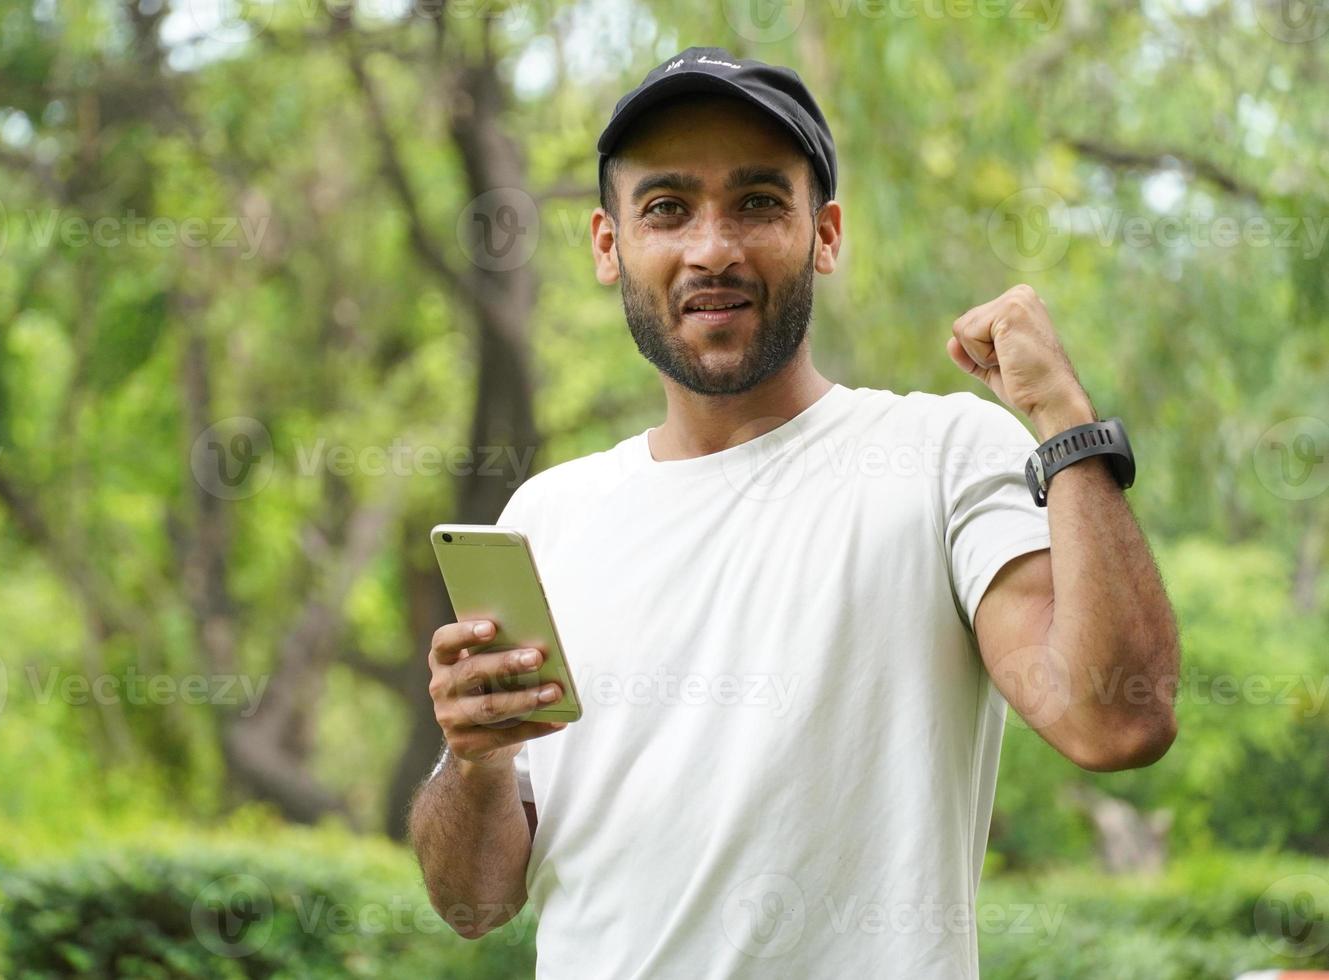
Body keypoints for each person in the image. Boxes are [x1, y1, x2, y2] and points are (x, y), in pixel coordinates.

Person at [408, 45, 1180, 978]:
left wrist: (1065, 419)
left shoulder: (941, 456)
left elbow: (1115, 723)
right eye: (665, 209)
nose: (712, 247)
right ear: (609, 247)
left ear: (824, 233)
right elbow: (474, 903)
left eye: (758, 203)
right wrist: (475, 760)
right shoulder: (548, 515)